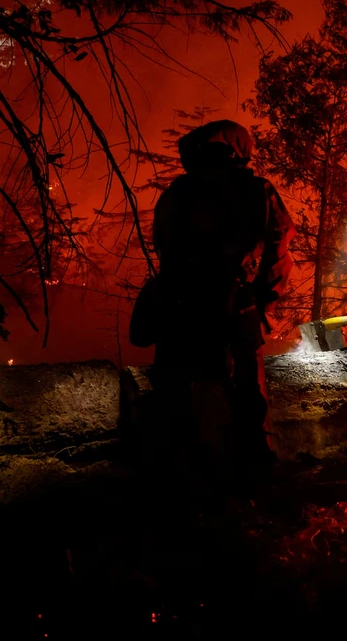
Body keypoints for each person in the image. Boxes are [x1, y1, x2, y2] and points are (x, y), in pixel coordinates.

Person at [146, 120, 296, 487]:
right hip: (235, 303)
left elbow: (161, 244)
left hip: (180, 305)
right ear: (238, 150)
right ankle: (254, 469)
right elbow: (279, 249)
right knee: (247, 387)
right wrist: (263, 301)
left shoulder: (178, 192)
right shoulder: (255, 190)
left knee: (179, 387)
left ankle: (182, 474)